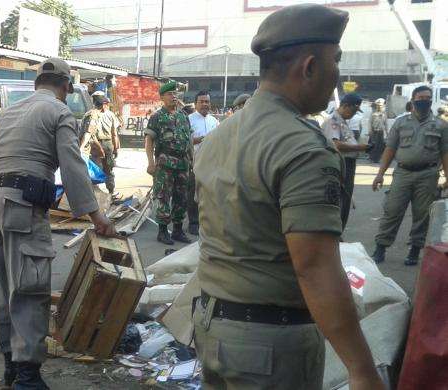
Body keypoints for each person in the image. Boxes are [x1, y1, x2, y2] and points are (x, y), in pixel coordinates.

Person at [192, 4, 384, 390]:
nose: (337, 77)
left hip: (212, 327)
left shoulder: (219, 136)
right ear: (310, 67)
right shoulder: (302, 146)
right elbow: (314, 266)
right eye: (336, 62)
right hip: (270, 345)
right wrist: (362, 369)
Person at [0, 58, 116, 389]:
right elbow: (72, 167)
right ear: (66, 87)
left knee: (3, 284)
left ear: (37, 82)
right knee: (29, 288)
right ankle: (27, 375)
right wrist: (96, 216)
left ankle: (11, 365)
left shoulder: (8, 112)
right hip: (23, 207)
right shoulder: (59, 112)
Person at [371, 86, 448, 266]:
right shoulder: (401, 123)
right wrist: (380, 174)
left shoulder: (441, 125)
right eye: (421, 97)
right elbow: (389, 149)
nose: (425, 100)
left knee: (422, 215)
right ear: (413, 100)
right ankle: (380, 247)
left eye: (428, 98)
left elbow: (445, 153)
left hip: (428, 175)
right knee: (392, 211)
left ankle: (414, 250)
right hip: (402, 174)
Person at [145, 81, 193, 245]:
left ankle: (178, 230)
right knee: (163, 196)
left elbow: (189, 139)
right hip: (165, 163)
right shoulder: (157, 117)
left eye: (175, 93)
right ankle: (163, 231)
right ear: (162, 97)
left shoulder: (183, 116)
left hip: (183, 163)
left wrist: (191, 160)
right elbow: (149, 140)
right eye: (170, 94)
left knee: (182, 197)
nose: (174, 96)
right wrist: (151, 163)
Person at [322, 93, 370, 228]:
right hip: (340, 164)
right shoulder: (333, 121)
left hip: (347, 164)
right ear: (345, 105)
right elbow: (336, 144)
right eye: (353, 110)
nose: (354, 114)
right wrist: (360, 147)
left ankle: (339, 230)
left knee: (345, 198)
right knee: (341, 199)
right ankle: (336, 230)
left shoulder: (342, 121)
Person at [186, 90, 219, 235]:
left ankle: (208, 223)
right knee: (194, 193)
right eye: (202, 101)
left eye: (207, 101)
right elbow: (184, 141)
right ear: (195, 104)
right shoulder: (189, 120)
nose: (205, 104)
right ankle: (193, 223)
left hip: (212, 163)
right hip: (194, 163)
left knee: (209, 194)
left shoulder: (214, 121)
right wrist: (201, 139)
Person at [92, 96, 120, 197]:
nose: (107, 106)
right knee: (108, 169)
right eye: (107, 104)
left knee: (95, 169)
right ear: (104, 105)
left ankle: (95, 193)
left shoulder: (91, 114)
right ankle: (111, 191)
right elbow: (114, 133)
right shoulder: (111, 115)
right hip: (107, 144)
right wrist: (116, 148)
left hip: (95, 144)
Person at [368, 98, 388, 163]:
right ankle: (373, 158)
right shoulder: (373, 113)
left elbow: (386, 124)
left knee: (380, 146)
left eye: (381, 105)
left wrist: (387, 132)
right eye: (378, 105)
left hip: (381, 132)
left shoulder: (384, 114)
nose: (380, 106)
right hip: (374, 131)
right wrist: (370, 131)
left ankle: (377, 158)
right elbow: (370, 123)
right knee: (374, 145)